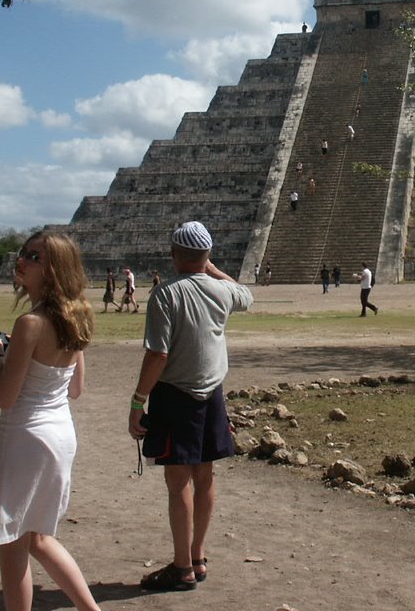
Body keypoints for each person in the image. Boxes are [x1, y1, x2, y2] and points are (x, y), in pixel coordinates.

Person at [0, 230, 100, 611]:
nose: (22, 260)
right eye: (24, 253)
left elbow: (6, 397)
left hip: (27, 435)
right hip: (60, 432)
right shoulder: (77, 315)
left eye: (34, 257)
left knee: (13, 544)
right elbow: (75, 388)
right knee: (39, 539)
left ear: (53, 269)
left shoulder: (30, 323)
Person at [128, 221, 253, 592]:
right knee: (205, 476)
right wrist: (211, 269)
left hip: (175, 395)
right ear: (208, 255)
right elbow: (245, 293)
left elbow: (158, 353)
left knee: (177, 480)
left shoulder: (166, 294)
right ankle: (198, 556)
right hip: (211, 393)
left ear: (173, 254)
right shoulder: (222, 291)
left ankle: (182, 566)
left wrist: (138, 401)